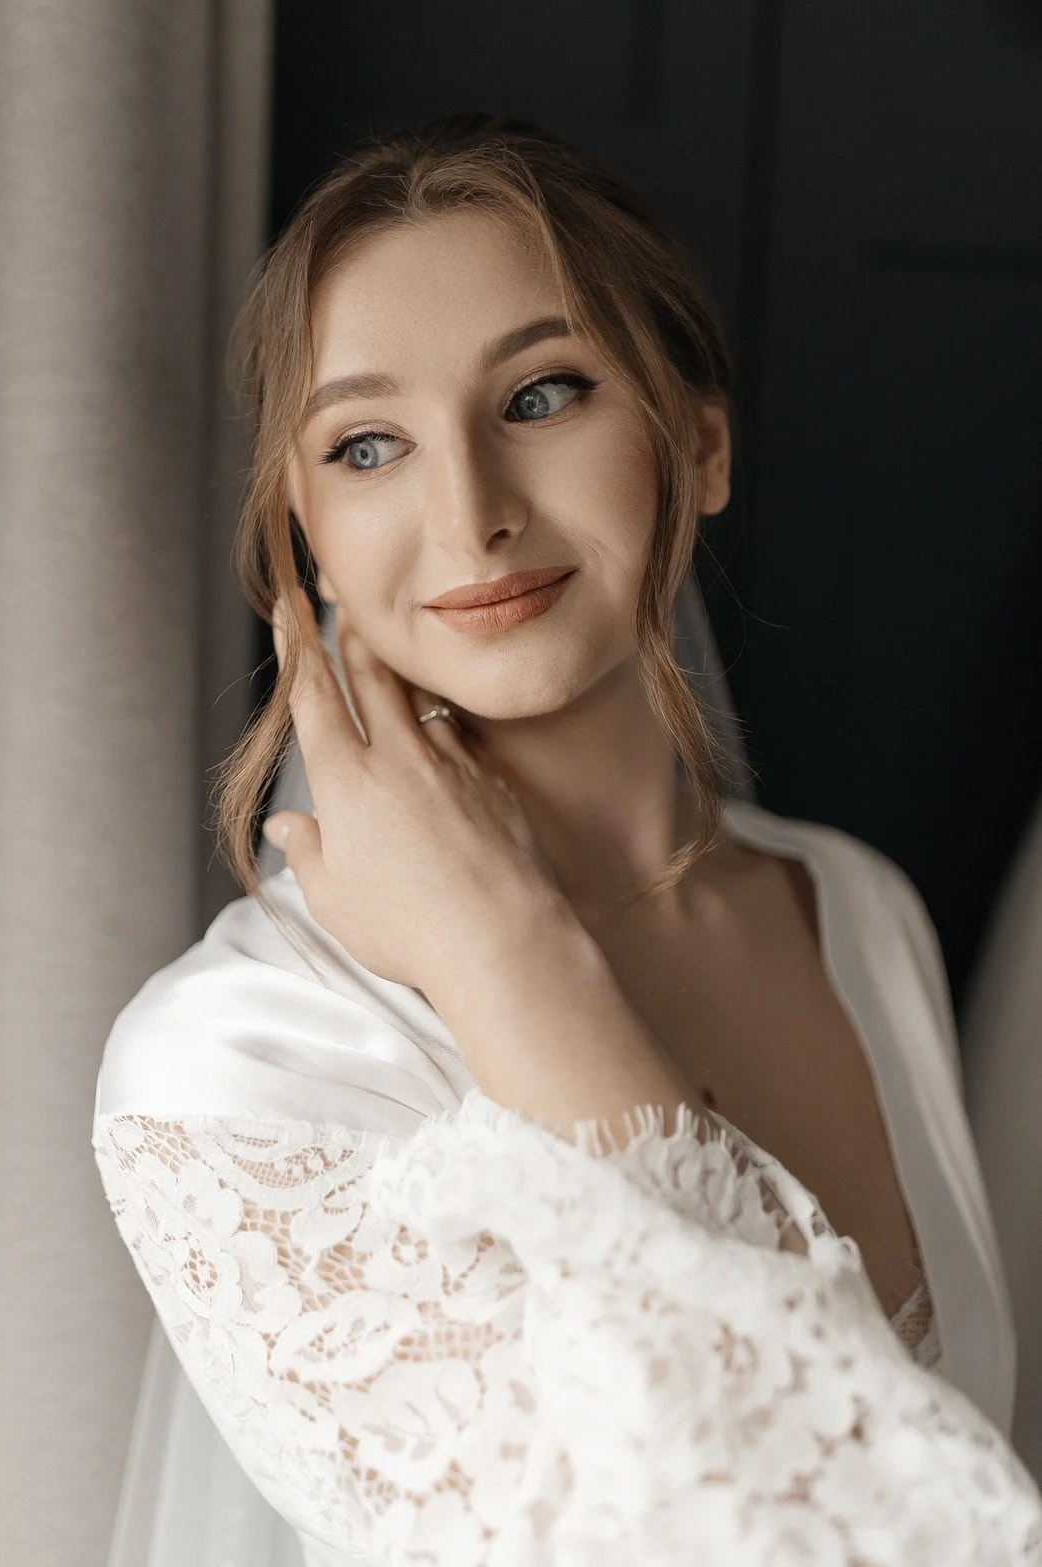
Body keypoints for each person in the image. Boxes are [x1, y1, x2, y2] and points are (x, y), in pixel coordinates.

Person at [91, 114, 1042, 1565]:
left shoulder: (856, 908)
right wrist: (506, 963)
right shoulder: (230, 1067)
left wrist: (517, 953)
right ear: (308, 532)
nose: (471, 513)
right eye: (367, 444)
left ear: (700, 443)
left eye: (542, 396)